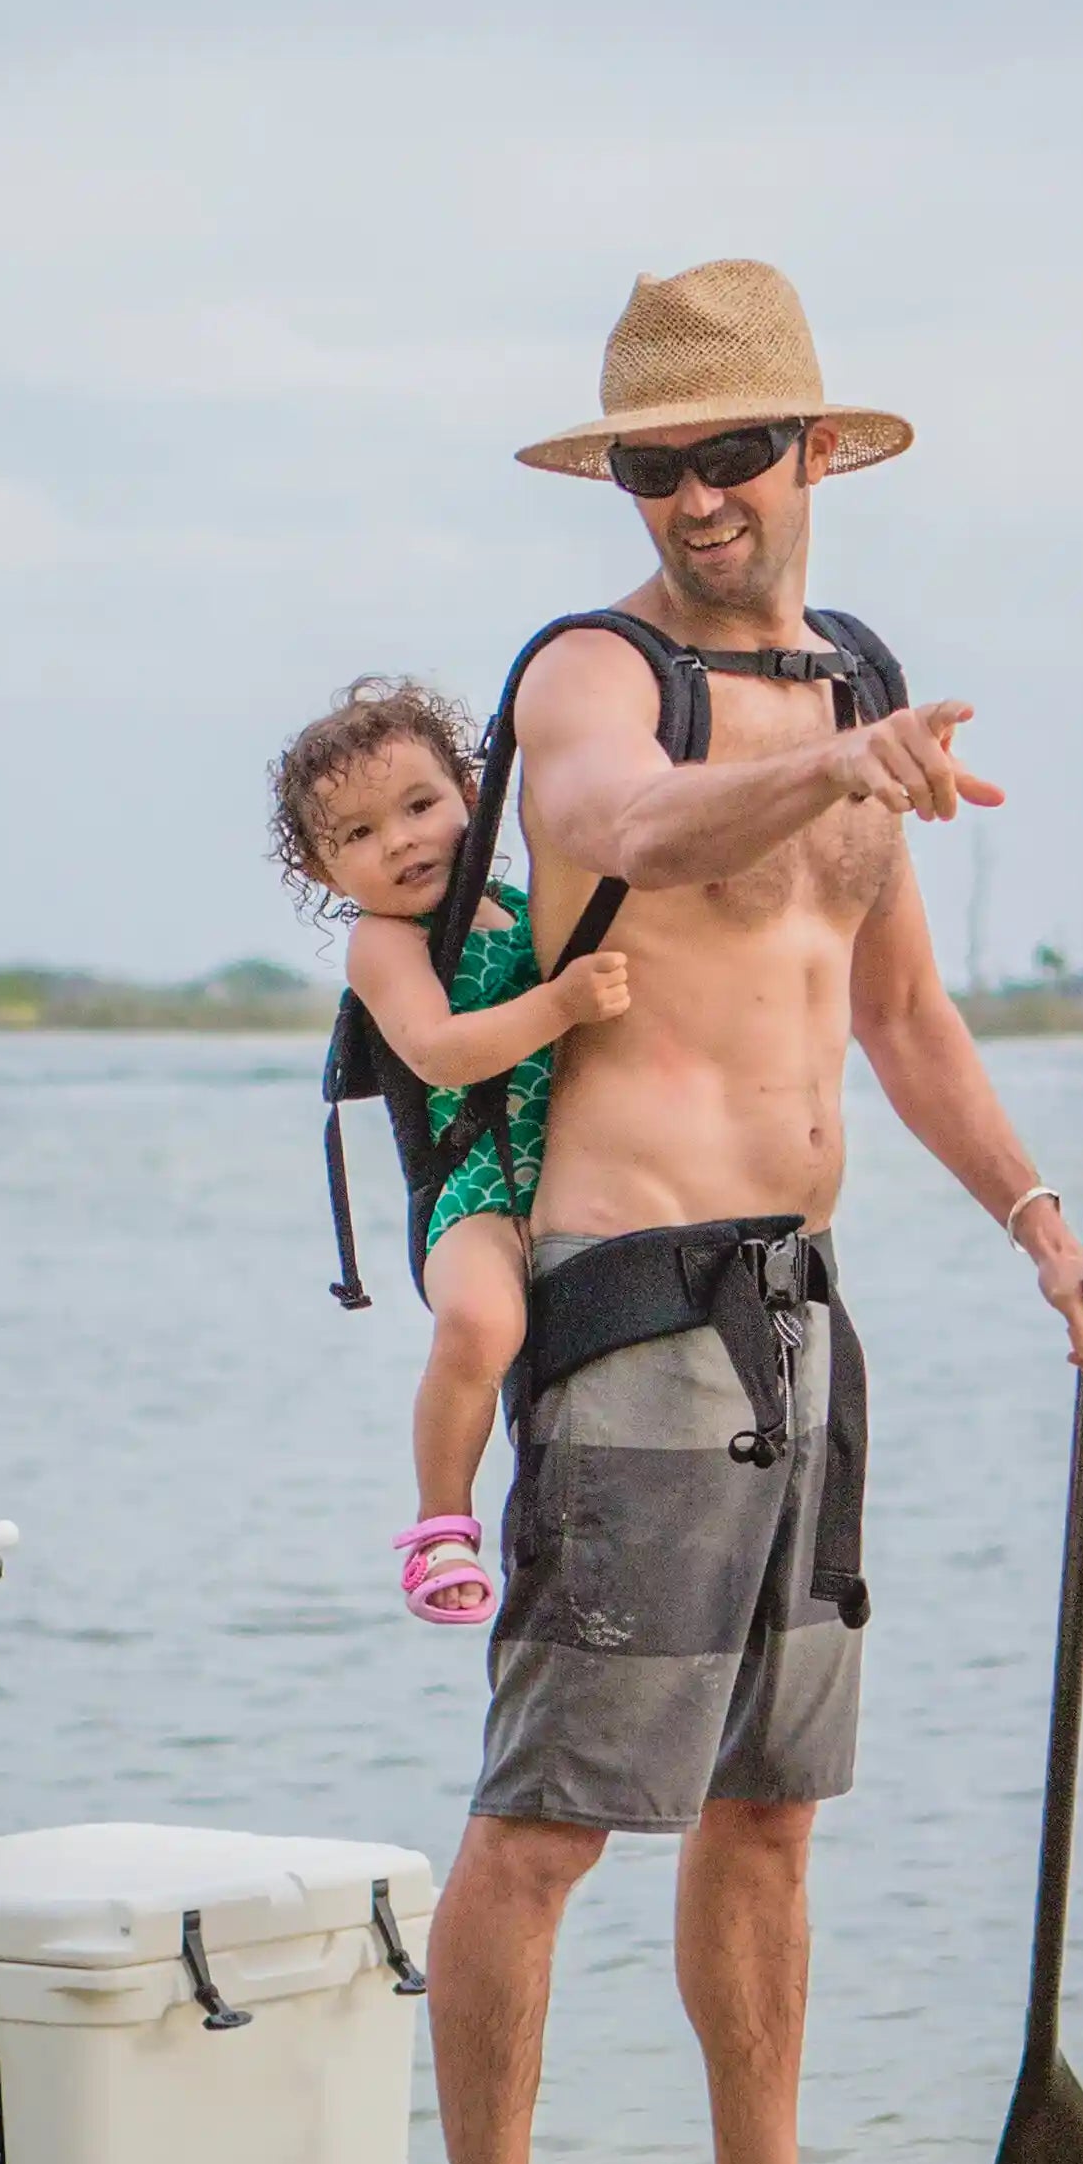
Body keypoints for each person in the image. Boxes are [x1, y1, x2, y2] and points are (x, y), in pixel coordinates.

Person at [427, 259, 1083, 2164]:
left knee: (771, 1812)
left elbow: (901, 1011)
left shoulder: (862, 684)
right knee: (547, 1824)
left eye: (730, 454)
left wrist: (1042, 1225)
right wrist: (842, 756)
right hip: (628, 1311)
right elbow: (614, 835)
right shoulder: (595, 674)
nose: (694, 499)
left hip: (800, 1326)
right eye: (655, 466)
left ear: (812, 452)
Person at [265, 675, 636, 1625]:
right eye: (356, 835)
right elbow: (435, 1049)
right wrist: (559, 1004)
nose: (400, 841)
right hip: (477, 1185)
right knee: (476, 1325)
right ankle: (440, 1524)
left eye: (420, 805)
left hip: (581, 1168)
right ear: (320, 871)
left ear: (473, 795)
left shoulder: (524, 904)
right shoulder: (387, 945)